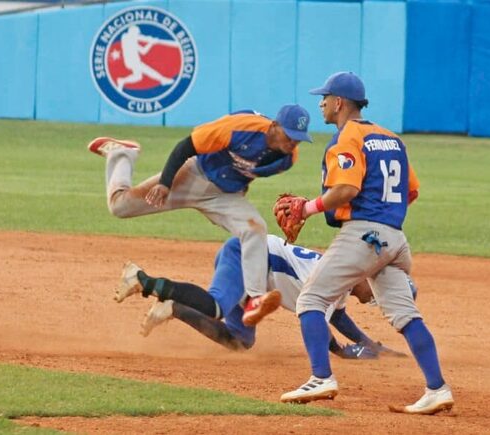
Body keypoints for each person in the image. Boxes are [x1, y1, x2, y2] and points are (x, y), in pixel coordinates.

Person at [276, 72, 454, 414]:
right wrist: (385, 217)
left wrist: (308, 208)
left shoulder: (347, 138)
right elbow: (411, 190)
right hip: (395, 238)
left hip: (365, 234)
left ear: (340, 102)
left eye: (325, 98)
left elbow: (346, 189)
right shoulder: (391, 138)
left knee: (310, 299)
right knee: (406, 315)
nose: (321, 103)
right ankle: (437, 388)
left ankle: (321, 377)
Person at [88, 105, 312, 327]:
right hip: (192, 176)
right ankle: (122, 155)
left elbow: (247, 171)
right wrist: (166, 183)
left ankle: (255, 298)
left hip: (224, 196)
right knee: (120, 207)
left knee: (255, 228)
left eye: (299, 138)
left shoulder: (287, 159)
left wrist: (232, 202)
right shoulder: (238, 128)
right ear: (274, 126)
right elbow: (185, 146)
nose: (293, 142)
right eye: (289, 135)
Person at [115, 234, 405, 359]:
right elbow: (321, 328)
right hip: (246, 254)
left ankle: (173, 308)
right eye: (376, 287)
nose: (374, 295)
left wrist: (370, 345)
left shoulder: (342, 283)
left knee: (240, 342)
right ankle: (142, 279)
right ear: (364, 274)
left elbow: (339, 318)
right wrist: (342, 351)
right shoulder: (330, 276)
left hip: (258, 279)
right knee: (216, 305)